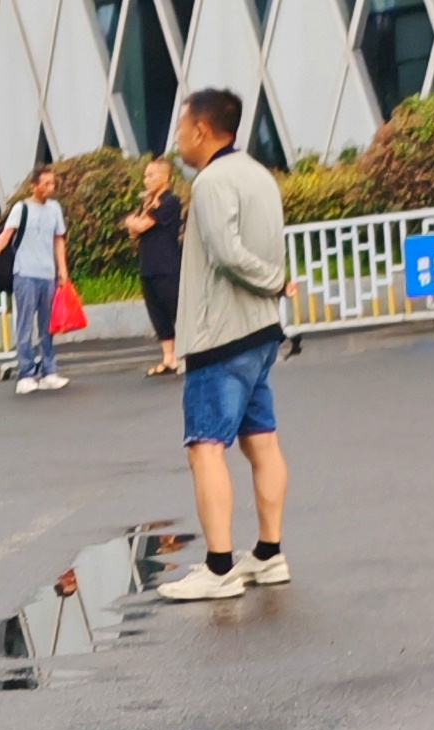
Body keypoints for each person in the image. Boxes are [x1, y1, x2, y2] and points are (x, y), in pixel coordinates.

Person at [157, 89, 292, 600]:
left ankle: (218, 569)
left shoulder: (211, 181)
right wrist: (275, 285)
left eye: (181, 129)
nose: (177, 141)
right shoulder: (259, 175)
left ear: (202, 129)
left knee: (205, 448)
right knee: (262, 441)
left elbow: (229, 254)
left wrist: (272, 279)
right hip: (260, 333)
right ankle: (267, 554)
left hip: (221, 335)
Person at [0, 165, 69, 394]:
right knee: (24, 325)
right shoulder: (21, 208)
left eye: (52, 183)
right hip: (25, 274)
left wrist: (62, 269)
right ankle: (25, 373)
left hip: (48, 275)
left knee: (48, 326)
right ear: (34, 186)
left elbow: (59, 239)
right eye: (45, 184)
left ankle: (49, 371)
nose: (50, 188)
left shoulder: (55, 209)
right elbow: (7, 234)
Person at [123, 155, 184, 375]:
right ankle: (168, 357)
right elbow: (133, 231)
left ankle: (182, 355)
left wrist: (135, 223)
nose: (146, 180)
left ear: (164, 177)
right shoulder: (148, 202)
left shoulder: (170, 201)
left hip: (167, 265)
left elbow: (142, 224)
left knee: (174, 309)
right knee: (157, 312)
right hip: (148, 265)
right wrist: (135, 223)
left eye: (151, 175)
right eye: (145, 175)